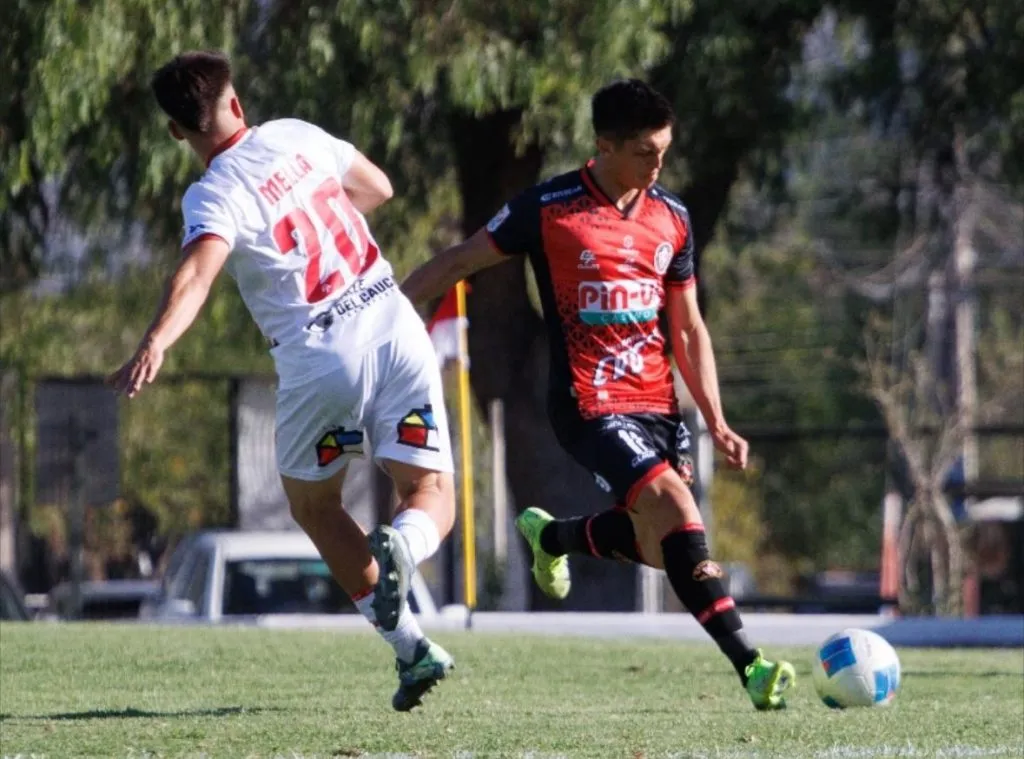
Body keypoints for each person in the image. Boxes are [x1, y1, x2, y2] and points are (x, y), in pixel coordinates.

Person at [402, 79, 795, 709]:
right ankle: (751, 667)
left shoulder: (673, 217)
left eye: (664, 150)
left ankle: (553, 537)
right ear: (604, 145)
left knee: (662, 547)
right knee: (676, 510)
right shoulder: (550, 206)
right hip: (588, 404)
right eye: (644, 150)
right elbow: (459, 260)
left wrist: (716, 419)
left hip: (661, 407)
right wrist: (384, 310)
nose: (657, 163)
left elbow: (688, 326)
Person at [108, 51, 454, 712]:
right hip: (394, 324)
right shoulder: (297, 134)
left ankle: (412, 648)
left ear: (178, 132)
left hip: (323, 362)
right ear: (236, 103)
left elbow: (198, 273)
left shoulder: (212, 194)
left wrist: (156, 339)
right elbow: (377, 188)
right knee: (430, 489)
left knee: (317, 506)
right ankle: (408, 549)